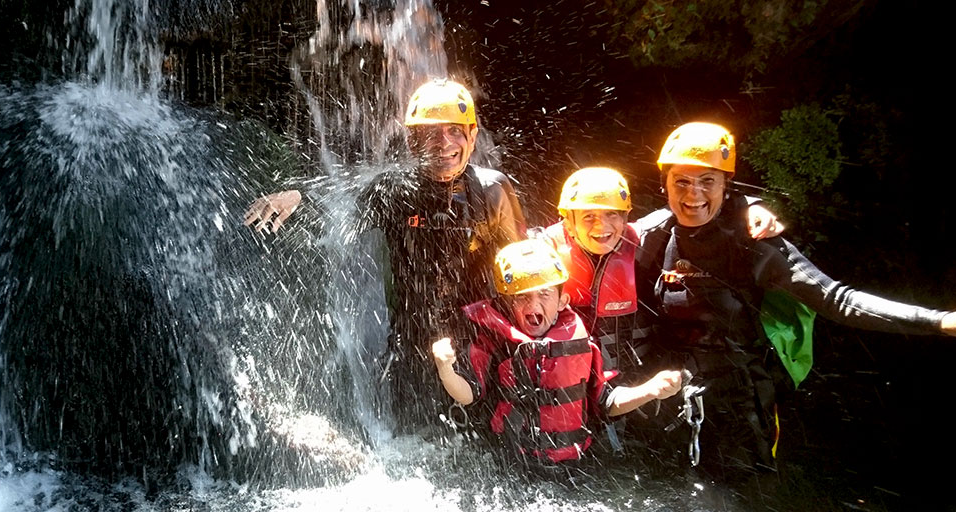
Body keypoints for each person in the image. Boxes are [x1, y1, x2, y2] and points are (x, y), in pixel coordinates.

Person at [635, 121, 956, 477]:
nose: (693, 194)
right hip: (667, 394)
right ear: (664, 185)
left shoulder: (754, 244)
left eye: (707, 181)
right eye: (681, 182)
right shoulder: (652, 236)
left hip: (740, 402)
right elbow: (591, 238)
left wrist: (937, 321)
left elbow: (836, 299)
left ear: (726, 185)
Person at [243, 78, 526, 432]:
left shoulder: (492, 191)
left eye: (455, 130)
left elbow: (522, 270)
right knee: (414, 446)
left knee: (484, 444)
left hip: (479, 346)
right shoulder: (394, 191)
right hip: (412, 346)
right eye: (430, 133)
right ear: (412, 141)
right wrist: (300, 199)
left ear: (472, 134)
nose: (444, 143)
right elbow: (341, 215)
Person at [430, 239, 683, 464]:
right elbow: (468, 394)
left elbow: (607, 402)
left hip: (573, 464)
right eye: (521, 297)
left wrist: (650, 390)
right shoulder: (494, 342)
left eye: (544, 294)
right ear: (506, 303)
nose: (533, 304)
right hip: (511, 462)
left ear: (562, 301)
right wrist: (445, 370)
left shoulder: (580, 340)